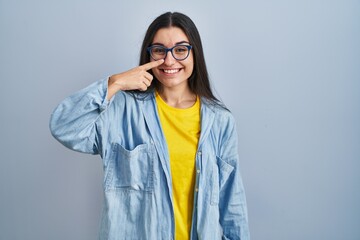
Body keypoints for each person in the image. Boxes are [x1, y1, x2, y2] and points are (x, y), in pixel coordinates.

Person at [50, 11, 250, 240]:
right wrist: (114, 83)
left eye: (181, 49)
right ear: (149, 54)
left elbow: (232, 204)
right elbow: (63, 126)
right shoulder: (122, 110)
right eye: (159, 50)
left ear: (195, 54)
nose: (169, 60)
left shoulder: (220, 121)